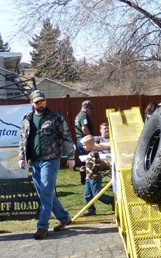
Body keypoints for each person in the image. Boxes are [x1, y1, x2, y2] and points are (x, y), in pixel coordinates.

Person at [18, 90, 76, 240]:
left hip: (50, 160)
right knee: (45, 193)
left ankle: (42, 227)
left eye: (43, 101)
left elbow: (67, 136)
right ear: (32, 103)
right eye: (37, 102)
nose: (41, 104)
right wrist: (21, 158)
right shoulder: (27, 118)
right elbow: (22, 139)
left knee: (45, 192)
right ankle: (64, 217)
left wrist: (70, 156)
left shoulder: (55, 117)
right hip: (34, 161)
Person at [80, 135, 114, 216]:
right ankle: (90, 210)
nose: (83, 147)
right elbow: (91, 164)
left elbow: (96, 165)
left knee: (97, 194)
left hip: (94, 177)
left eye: (85, 145)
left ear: (91, 145)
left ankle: (111, 200)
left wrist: (90, 174)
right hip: (89, 178)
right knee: (87, 195)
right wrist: (85, 167)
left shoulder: (95, 154)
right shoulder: (89, 154)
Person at [75, 100, 94, 185]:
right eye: (90, 109)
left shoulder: (78, 115)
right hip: (84, 140)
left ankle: (84, 179)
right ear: (85, 107)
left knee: (83, 159)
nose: (91, 111)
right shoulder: (84, 115)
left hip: (79, 140)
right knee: (89, 159)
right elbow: (84, 128)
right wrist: (90, 138)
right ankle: (89, 179)